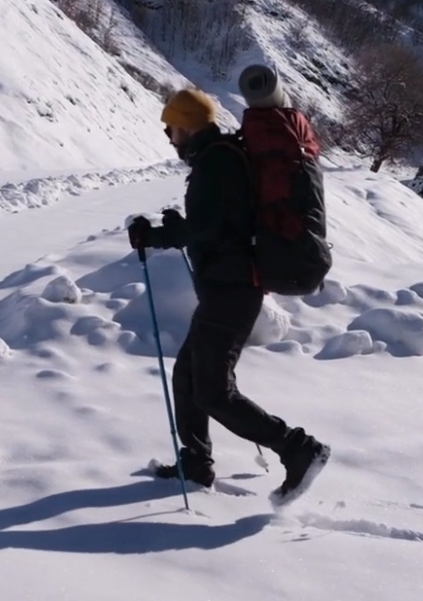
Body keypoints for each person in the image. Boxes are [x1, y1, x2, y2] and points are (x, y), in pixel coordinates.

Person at [127, 70, 330, 506]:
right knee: (188, 375)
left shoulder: (216, 162)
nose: (168, 137)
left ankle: (299, 448)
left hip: (231, 290)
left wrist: (156, 235)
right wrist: (179, 226)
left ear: (186, 127)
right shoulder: (220, 156)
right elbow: (219, 221)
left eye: (170, 128)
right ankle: (196, 463)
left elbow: (208, 227)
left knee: (214, 392)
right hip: (226, 287)